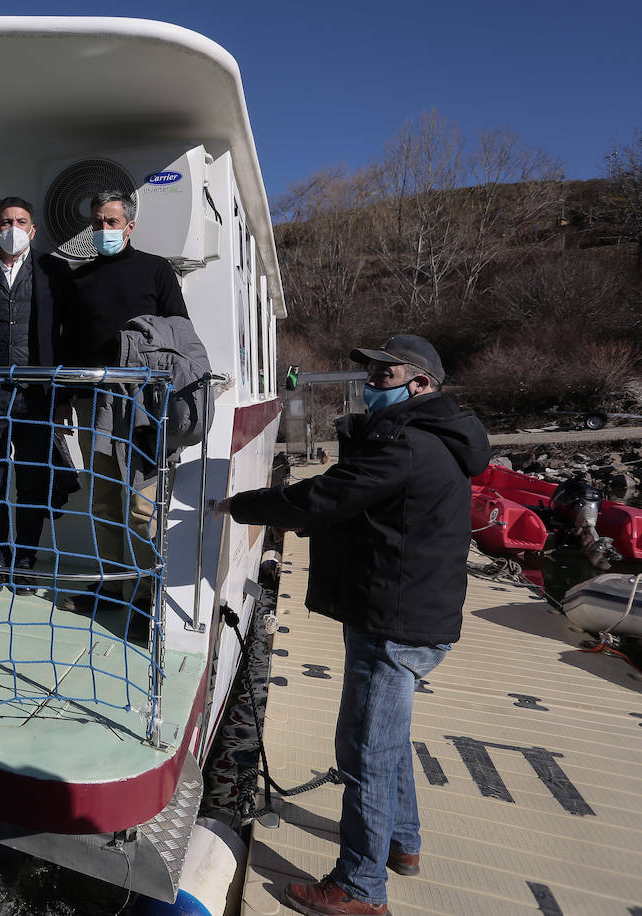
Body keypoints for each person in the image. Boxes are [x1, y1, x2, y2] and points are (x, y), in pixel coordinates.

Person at [214, 335, 490, 916]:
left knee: (364, 749)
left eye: (384, 375)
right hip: (410, 613)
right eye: (370, 371)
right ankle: (402, 842)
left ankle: (360, 889)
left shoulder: (407, 445)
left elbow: (324, 499)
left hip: (394, 622)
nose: (371, 383)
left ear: (420, 385)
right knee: (385, 740)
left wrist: (241, 506)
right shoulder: (431, 440)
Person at [57, 190, 190, 637]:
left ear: (130, 226)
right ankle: (112, 587)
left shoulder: (156, 270)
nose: (104, 230)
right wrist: (64, 398)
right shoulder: (80, 278)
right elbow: (68, 344)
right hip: (94, 404)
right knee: (102, 503)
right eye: (98, 223)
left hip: (144, 409)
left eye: (112, 222)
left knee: (140, 508)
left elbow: (181, 338)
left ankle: (145, 597)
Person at [0, 196, 76, 594]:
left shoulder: (54, 270)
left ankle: (24, 561)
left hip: (38, 393)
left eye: (21, 221)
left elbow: (64, 332)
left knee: (32, 479)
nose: (13, 227)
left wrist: (62, 395)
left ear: (33, 229)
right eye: (6, 221)